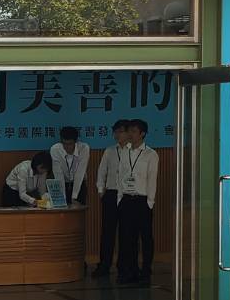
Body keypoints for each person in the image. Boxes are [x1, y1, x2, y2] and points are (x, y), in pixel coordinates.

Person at [115, 119, 160, 284]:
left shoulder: (151, 154)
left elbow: (152, 179)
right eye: (129, 131)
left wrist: (150, 202)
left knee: (146, 238)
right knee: (127, 238)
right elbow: (121, 175)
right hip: (126, 199)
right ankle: (130, 271)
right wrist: (120, 197)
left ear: (142, 134)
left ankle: (146, 271)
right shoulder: (124, 151)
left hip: (142, 201)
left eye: (134, 131)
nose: (130, 134)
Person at [93, 120, 129, 276]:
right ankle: (104, 265)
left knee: (126, 232)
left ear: (128, 133)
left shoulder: (134, 151)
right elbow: (102, 171)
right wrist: (101, 190)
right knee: (107, 232)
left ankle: (124, 266)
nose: (117, 135)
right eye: (115, 131)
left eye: (120, 131)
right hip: (111, 193)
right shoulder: (109, 151)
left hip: (128, 195)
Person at [49, 126, 90, 205]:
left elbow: (80, 173)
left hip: (79, 183)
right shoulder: (55, 149)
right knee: (62, 208)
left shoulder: (84, 148)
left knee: (78, 208)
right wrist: (62, 198)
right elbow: (58, 174)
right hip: (63, 183)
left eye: (70, 144)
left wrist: (74, 196)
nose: (66, 147)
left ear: (76, 142)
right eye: (64, 143)